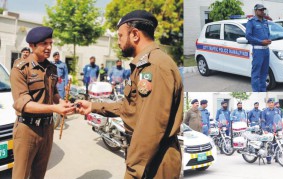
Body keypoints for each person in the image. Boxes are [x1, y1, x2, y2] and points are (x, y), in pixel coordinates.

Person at [76, 10, 183, 178]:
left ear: (134, 34)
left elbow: (151, 126)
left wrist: (133, 170)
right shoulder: (144, 64)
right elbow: (131, 106)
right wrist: (94, 106)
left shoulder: (153, 66)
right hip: (149, 157)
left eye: (120, 36)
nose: (118, 42)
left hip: (155, 161)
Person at [10, 26, 75, 179]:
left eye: (50, 43)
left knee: (39, 175)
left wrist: (64, 103)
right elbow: (23, 103)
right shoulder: (20, 69)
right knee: (21, 175)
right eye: (44, 43)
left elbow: (53, 94)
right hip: (28, 130)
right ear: (32, 46)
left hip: (47, 128)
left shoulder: (51, 68)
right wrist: (55, 108)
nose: (49, 47)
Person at [245, 4, 272, 92]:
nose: (262, 11)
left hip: (266, 50)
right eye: (260, 10)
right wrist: (261, 42)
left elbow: (268, 33)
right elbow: (248, 36)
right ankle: (256, 91)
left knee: (264, 73)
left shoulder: (265, 21)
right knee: (256, 73)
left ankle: (263, 91)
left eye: (263, 10)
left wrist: (268, 39)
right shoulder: (251, 22)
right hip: (258, 51)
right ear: (256, 11)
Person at [261, 98, 280, 164]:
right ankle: (268, 158)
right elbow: (263, 121)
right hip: (268, 130)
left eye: (272, 103)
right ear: (268, 104)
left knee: (276, 144)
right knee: (268, 145)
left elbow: (279, 120)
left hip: (276, 129)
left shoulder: (277, 110)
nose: (271, 104)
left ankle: (277, 157)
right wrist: (264, 130)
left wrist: (280, 127)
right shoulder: (264, 111)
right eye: (270, 103)